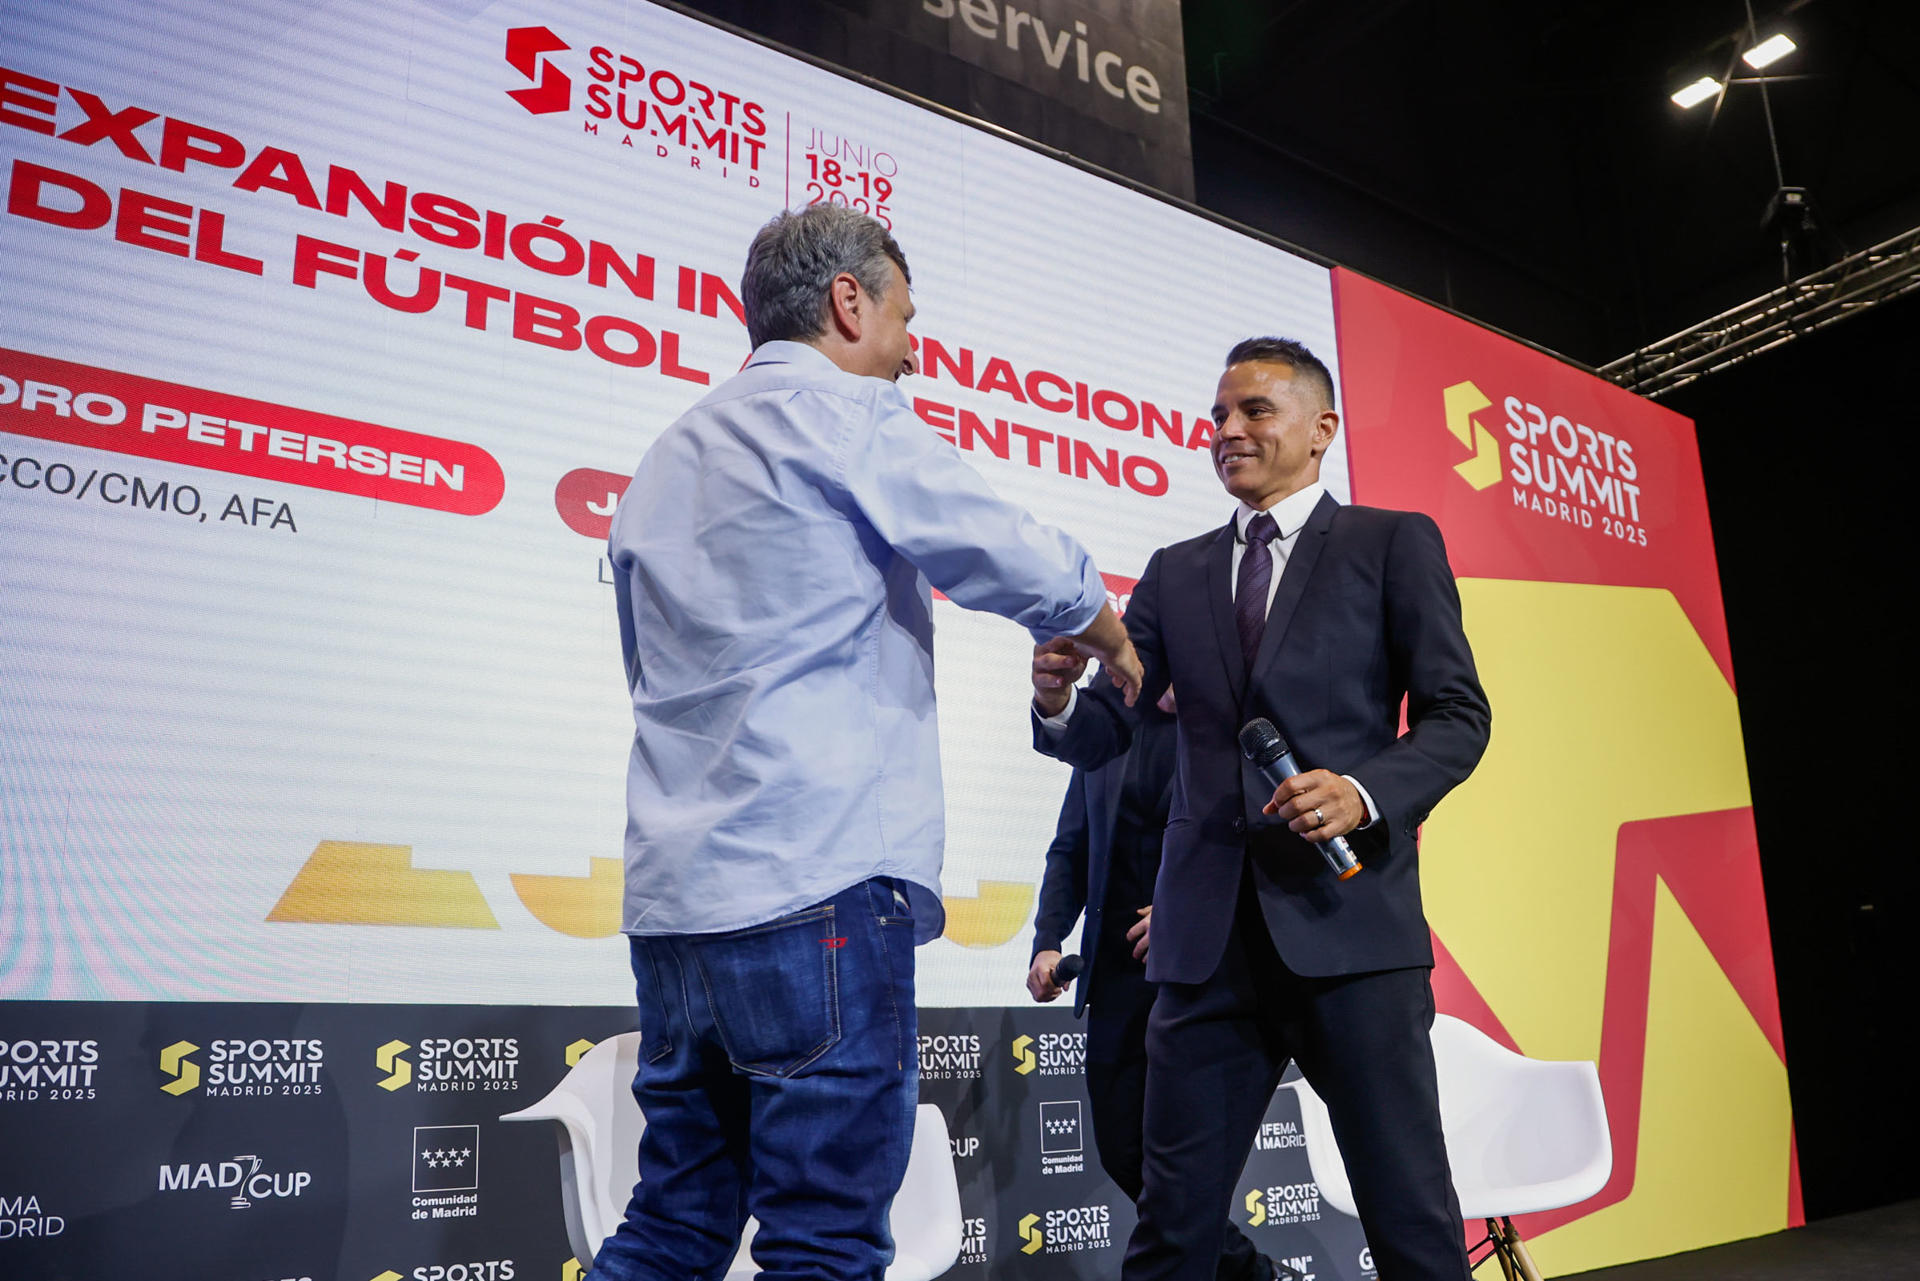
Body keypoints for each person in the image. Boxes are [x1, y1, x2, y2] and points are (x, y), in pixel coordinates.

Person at [596, 203, 1141, 1281]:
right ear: (851, 301)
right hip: (818, 887)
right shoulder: (847, 416)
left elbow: (643, 671)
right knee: (823, 1241)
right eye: (904, 314)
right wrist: (1118, 645)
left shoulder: (663, 460)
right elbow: (1015, 558)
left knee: (673, 1225)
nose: (913, 344)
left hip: (676, 910)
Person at [1029, 337, 1491, 1281]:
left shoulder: (1390, 543)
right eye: (1218, 417)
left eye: (1254, 411)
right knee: (1171, 1236)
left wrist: (1364, 792)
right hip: (1203, 953)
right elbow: (1113, 734)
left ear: (1321, 429)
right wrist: (1059, 699)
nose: (1228, 431)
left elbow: (1457, 717)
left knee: (1410, 1221)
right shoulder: (1174, 569)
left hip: (1351, 935)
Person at [1026, 687, 1278, 1281]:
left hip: (1196, 978)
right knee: (1124, 1151)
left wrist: (1178, 906)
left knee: (1179, 1168)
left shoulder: (1224, 722)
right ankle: (1251, 1273)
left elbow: (1248, 841)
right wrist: (1047, 938)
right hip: (1112, 977)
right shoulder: (1104, 727)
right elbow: (1071, 846)